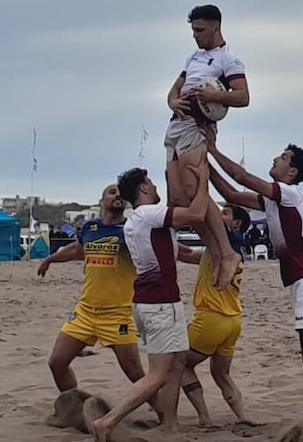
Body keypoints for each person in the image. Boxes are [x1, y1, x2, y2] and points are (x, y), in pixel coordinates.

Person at [204, 128, 303, 440]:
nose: (276, 158)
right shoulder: (273, 200)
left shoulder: (290, 193)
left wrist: (212, 148)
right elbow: (232, 195)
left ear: (292, 172)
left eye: (284, 157)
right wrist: (203, 164)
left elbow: (241, 176)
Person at [87, 164, 209, 442]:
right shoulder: (147, 214)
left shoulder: (139, 220)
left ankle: (171, 426)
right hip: (159, 305)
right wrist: (204, 179)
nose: (155, 187)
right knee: (157, 374)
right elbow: (196, 214)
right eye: (151, 182)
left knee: (177, 363)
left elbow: (184, 250)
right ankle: (106, 422)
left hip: (157, 303)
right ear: (143, 187)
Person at [38, 184, 156, 415]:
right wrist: (49, 259)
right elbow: (76, 249)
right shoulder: (91, 227)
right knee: (57, 362)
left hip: (118, 313)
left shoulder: (131, 229)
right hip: (85, 311)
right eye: (112, 192)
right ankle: (76, 410)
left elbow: (166, 250)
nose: (118, 195)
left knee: (134, 373)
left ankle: (164, 414)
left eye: (121, 193)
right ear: (102, 200)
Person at [163, 4, 247, 289]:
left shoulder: (229, 59)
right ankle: (217, 252)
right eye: (193, 30)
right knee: (180, 201)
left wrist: (214, 96)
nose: (195, 35)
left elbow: (243, 97)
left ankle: (227, 252)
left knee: (195, 189)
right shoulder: (193, 57)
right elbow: (174, 90)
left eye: (199, 30)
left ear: (215, 27)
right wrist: (173, 101)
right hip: (177, 123)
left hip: (198, 125)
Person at [176, 206, 251, 427]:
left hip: (211, 318)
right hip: (233, 320)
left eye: (225, 213)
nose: (219, 215)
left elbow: (203, 215)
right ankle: (243, 416)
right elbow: (189, 255)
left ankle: (204, 417)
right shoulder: (230, 249)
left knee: (180, 363)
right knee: (222, 374)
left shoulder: (223, 238)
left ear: (236, 224)